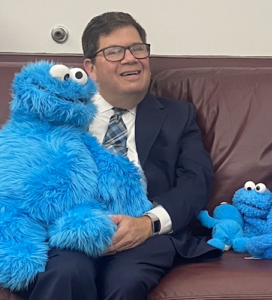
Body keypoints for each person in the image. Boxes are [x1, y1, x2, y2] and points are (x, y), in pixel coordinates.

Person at [16, 11, 221, 300]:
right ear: (91, 68)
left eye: (138, 48)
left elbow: (196, 181)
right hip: (73, 230)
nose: (131, 58)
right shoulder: (62, 113)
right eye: (114, 52)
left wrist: (148, 223)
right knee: (66, 272)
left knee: (127, 281)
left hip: (145, 234)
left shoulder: (178, 116)